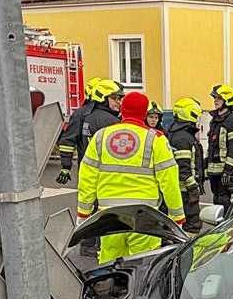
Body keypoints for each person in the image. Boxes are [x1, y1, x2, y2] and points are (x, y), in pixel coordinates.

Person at [77, 91, 184, 262]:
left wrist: (83, 213)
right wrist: (177, 216)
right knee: (143, 266)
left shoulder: (101, 136)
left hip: (109, 216)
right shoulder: (155, 139)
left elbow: (87, 177)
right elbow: (169, 181)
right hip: (144, 216)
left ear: (122, 110)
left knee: (109, 266)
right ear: (144, 113)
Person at [57, 78, 122, 185]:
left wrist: (66, 166)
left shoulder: (86, 114)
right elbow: (68, 141)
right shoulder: (82, 114)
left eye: (119, 99)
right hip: (107, 172)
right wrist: (66, 165)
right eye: (115, 98)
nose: (118, 102)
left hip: (87, 169)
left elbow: (67, 140)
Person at [168, 97, 206, 234]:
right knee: (193, 223)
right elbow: (183, 168)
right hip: (185, 191)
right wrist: (192, 188)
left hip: (178, 190)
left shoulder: (175, 134)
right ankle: (190, 246)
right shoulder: (183, 138)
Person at [206, 84, 233, 215]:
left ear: (227, 100)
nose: (215, 101)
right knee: (217, 202)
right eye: (215, 98)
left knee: (226, 203)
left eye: (219, 98)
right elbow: (211, 147)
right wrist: (206, 168)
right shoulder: (215, 120)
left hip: (227, 172)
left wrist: (227, 171)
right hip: (214, 172)